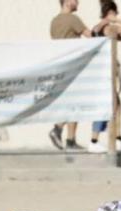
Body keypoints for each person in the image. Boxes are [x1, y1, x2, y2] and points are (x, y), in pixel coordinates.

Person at [88, 1, 121, 153]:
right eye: (116, 12)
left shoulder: (102, 27)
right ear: (111, 13)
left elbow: (97, 33)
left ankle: (116, 138)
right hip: (107, 70)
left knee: (114, 105)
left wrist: (118, 36)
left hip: (104, 69)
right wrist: (116, 21)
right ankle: (99, 140)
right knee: (112, 105)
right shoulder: (109, 27)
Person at [48, 0, 89, 151]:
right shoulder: (73, 19)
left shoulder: (54, 22)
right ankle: (58, 129)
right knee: (76, 102)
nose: (78, 2)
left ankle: (71, 140)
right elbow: (91, 36)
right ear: (67, 2)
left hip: (60, 67)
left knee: (72, 102)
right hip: (74, 66)